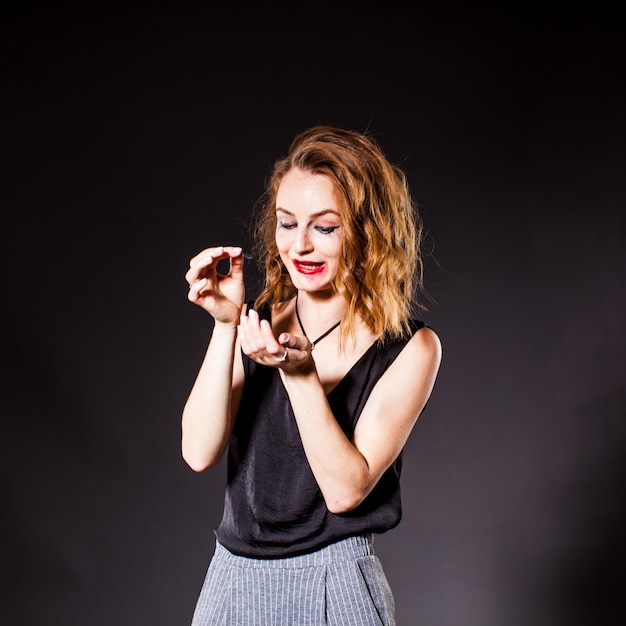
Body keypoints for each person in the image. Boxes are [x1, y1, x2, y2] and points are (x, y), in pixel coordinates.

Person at [182, 125, 442, 626]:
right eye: (286, 223)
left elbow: (346, 491)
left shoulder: (410, 347)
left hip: (336, 581)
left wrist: (299, 377)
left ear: (369, 231)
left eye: (324, 227)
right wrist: (225, 324)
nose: (299, 246)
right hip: (232, 576)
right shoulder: (256, 320)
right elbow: (198, 452)